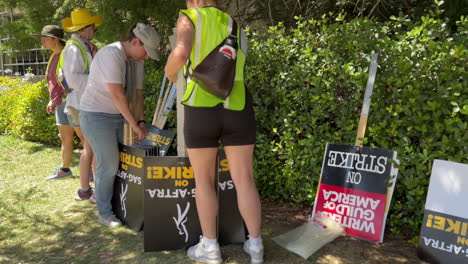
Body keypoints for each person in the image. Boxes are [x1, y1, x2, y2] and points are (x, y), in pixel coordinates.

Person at [164, 1, 263, 263]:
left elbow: (181, 53)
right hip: (238, 105)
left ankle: (210, 248)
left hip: (201, 107)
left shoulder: (189, 17)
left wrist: (169, 72)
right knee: (245, 180)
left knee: (204, 181)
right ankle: (255, 246)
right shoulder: (234, 23)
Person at [80, 23, 160, 227]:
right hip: (96, 116)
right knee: (109, 165)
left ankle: (117, 207)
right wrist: (134, 124)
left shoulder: (124, 56)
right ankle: (104, 213)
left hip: (114, 117)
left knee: (118, 164)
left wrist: (136, 121)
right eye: (146, 51)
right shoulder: (111, 54)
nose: (147, 57)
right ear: (135, 42)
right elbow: (117, 94)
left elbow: (133, 94)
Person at [61, 8, 102, 203]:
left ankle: (86, 190)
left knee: (89, 147)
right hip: (80, 104)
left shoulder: (82, 46)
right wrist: (99, 83)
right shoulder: (73, 48)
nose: (94, 29)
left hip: (83, 103)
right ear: (83, 29)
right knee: (90, 147)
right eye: (92, 26)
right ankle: (89, 191)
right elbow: (74, 79)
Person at [31, 25, 75, 181]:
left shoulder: (66, 55)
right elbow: (54, 82)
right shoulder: (53, 56)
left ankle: (92, 170)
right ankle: (65, 169)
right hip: (59, 103)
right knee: (65, 139)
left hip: (71, 102)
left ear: (56, 40)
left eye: (45, 39)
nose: (42, 42)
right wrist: (52, 100)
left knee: (86, 139)